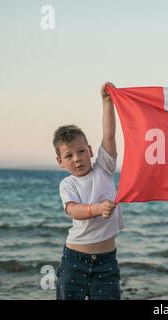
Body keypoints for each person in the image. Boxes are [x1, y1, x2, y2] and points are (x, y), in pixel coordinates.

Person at [52, 82, 124, 300]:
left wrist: (107, 102)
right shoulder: (68, 184)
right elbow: (73, 210)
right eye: (69, 156)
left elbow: (109, 136)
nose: (77, 158)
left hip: (106, 261)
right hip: (75, 260)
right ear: (60, 161)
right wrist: (96, 208)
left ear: (91, 151)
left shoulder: (104, 168)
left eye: (81, 151)